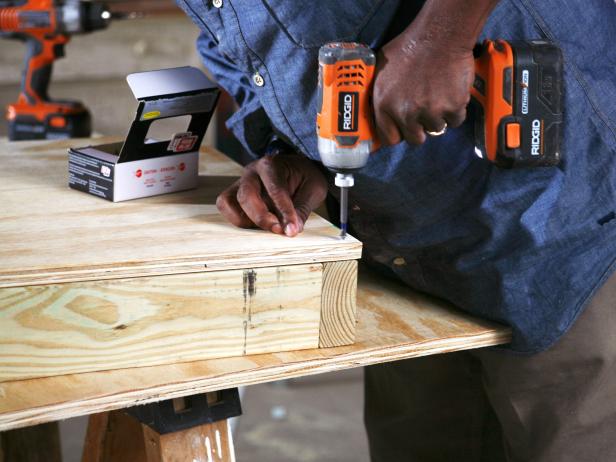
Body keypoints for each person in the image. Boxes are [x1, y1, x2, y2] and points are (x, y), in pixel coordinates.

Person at [176, 1, 616, 460]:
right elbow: (234, 43)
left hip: (567, 233)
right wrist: (291, 153)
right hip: (410, 269)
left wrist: (439, 42)